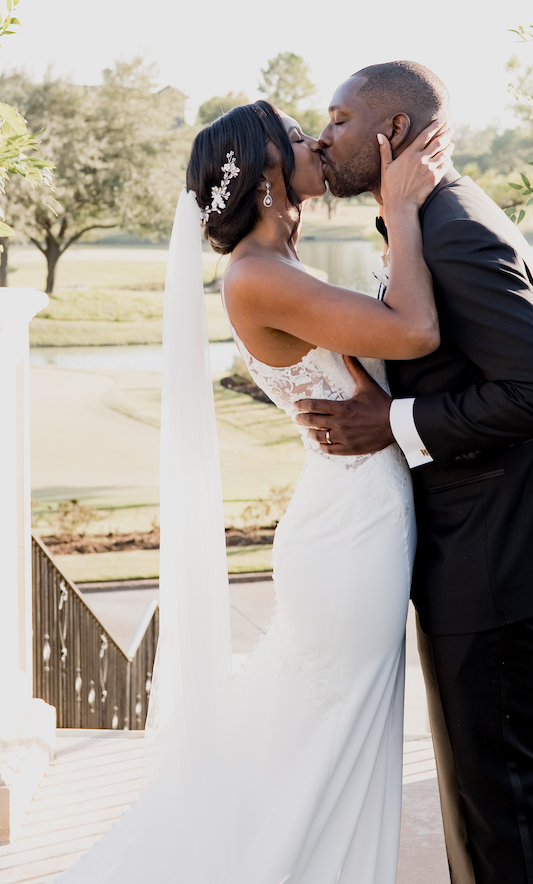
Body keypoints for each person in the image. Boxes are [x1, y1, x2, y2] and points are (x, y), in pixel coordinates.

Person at [48, 100, 454, 884]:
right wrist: (399, 207)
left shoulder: (278, 265)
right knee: (328, 747)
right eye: (300, 138)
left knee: (325, 745)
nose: (316, 144)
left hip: (356, 515)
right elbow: (414, 332)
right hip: (349, 535)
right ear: (268, 169)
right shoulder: (258, 278)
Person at [295, 61, 533, 884]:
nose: (324, 136)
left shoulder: (451, 226)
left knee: (501, 800)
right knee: (482, 797)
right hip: (478, 539)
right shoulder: (423, 219)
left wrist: (392, 422)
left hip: (496, 547)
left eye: (338, 119)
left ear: (391, 132)